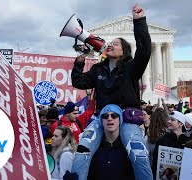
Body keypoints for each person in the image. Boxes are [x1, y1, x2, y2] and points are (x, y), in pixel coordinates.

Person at [71, 3, 153, 180]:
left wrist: (139, 21)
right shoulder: (98, 69)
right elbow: (78, 81)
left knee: (138, 154)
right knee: (83, 148)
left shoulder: (131, 68)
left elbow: (145, 50)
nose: (110, 45)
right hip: (103, 116)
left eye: (115, 44)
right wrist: (79, 63)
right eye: (109, 43)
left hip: (127, 117)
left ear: (124, 51)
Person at [72, 104, 152, 180]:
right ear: (101, 121)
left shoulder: (128, 150)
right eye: (105, 116)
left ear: (120, 120)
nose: (109, 118)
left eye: (114, 116)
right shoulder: (94, 149)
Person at [152, 111, 190, 179]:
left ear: (180, 124)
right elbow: (155, 159)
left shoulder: (188, 142)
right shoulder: (162, 139)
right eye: (169, 119)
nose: (169, 121)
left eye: (172, 120)